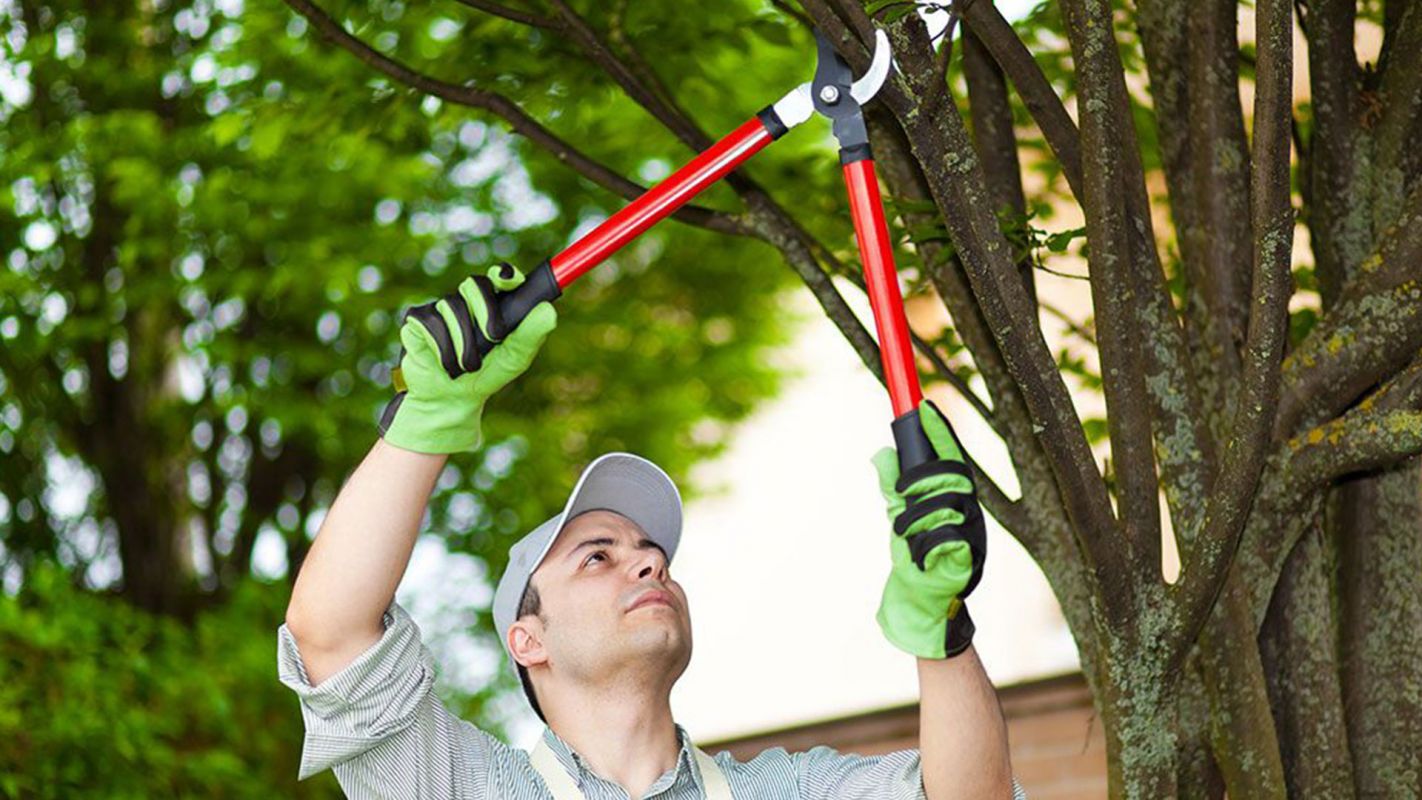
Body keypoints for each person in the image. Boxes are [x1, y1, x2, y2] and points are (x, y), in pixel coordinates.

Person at [278, 266, 1024, 799]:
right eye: (597, 556)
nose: (647, 566)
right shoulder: (460, 787)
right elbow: (332, 634)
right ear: (526, 640)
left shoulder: (786, 792)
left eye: (652, 555)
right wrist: (428, 423)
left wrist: (943, 629)